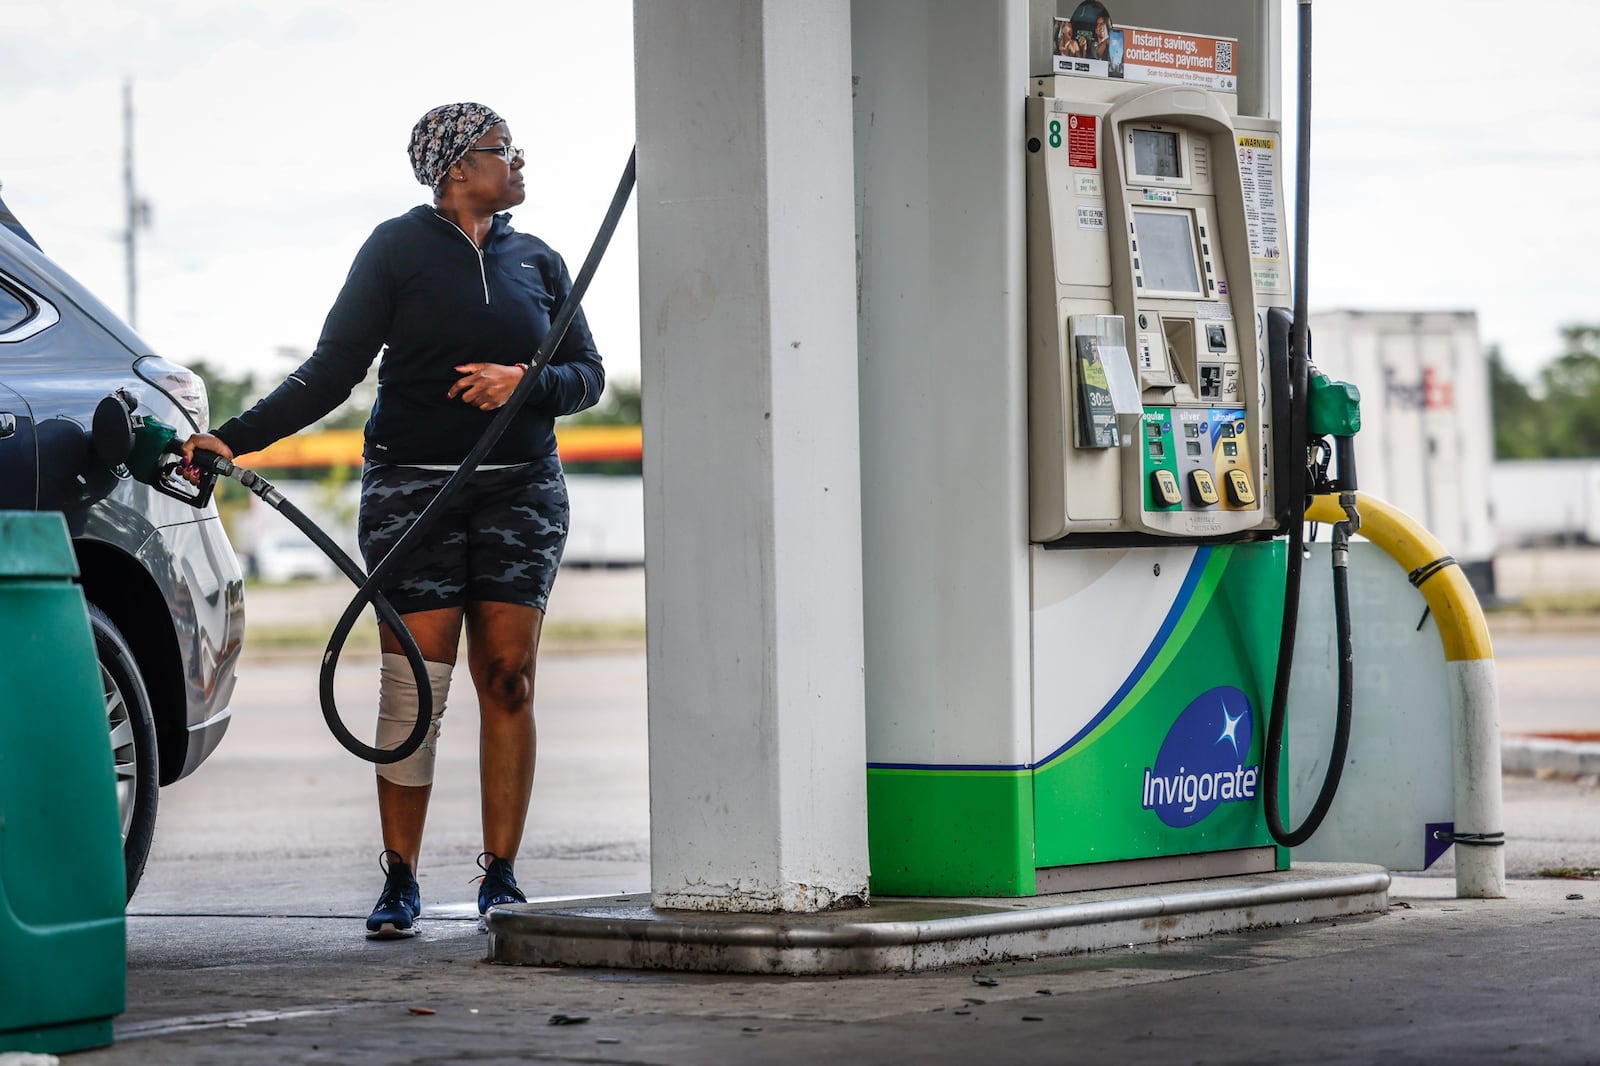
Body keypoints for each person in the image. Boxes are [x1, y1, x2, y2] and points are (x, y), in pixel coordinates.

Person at [182, 102, 604, 938]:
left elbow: (585, 374)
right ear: (456, 168)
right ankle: (401, 878)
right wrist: (231, 438)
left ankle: (502, 877)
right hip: (414, 492)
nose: (518, 162)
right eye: (501, 150)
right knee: (419, 684)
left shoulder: (540, 261)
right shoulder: (395, 249)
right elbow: (333, 369)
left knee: (509, 677)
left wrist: (526, 383)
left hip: (522, 489)